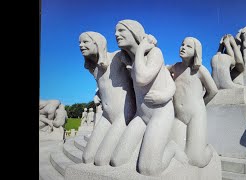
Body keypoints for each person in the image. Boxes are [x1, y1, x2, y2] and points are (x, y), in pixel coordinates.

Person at [110, 19, 186, 176]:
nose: (116, 34)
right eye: (115, 31)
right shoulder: (127, 60)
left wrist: (141, 48)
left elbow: (142, 78)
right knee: (117, 160)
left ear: (134, 33)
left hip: (160, 114)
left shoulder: (155, 53)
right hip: (141, 115)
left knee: (149, 169)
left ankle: (171, 148)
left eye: (121, 30)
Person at [79, 31, 136, 166]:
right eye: (79, 43)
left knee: (100, 160)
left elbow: (138, 66)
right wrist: (98, 94)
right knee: (87, 158)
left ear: (97, 43)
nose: (81, 45)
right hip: (106, 116)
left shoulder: (118, 56)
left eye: (85, 42)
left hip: (123, 115)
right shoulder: (95, 68)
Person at [166, 37, 218, 167]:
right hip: (178, 117)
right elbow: (161, 71)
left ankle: (210, 149)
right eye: (182, 44)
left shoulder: (200, 70)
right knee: (178, 155)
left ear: (196, 51)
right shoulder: (175, 67)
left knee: (196, 160)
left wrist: (201, 103)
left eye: (188, 46)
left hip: (196, 116)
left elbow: (213, 91)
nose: (183, 47)